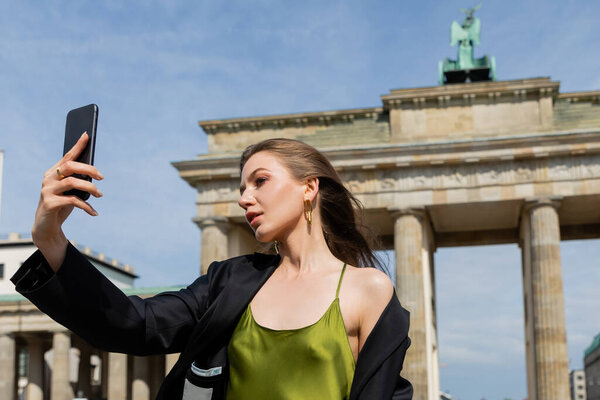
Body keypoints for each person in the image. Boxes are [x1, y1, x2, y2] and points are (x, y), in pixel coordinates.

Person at [12, 133, 412, 399]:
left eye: (260, 181)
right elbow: (135, 324)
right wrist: (50, 239)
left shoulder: (368, 290)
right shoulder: (230, 282)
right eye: (241, 188)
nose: (244, 198)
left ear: (308, 188)